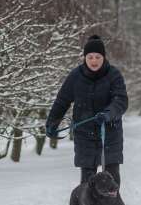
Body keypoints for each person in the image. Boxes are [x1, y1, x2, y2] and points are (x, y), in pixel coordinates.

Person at [45, 34, 128, 187]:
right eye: (90, 57)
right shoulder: (76, 76)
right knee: (87, 185)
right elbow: (62, 101)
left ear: (103, 57)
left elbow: (121, 101)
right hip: (85, 135)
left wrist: (108, 114)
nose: (94, 61)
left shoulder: (113, 75)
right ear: (85, 58)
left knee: (112, 182)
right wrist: (52, 123)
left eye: (97, 57)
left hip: (109, 135)